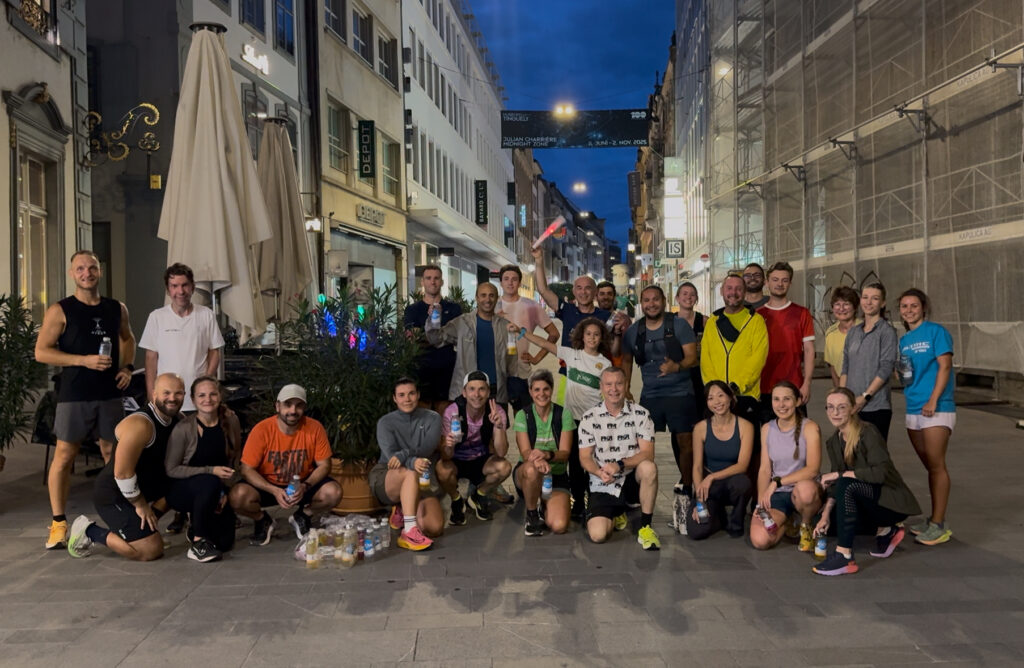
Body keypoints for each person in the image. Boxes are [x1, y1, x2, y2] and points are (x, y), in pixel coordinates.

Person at [35, 250, 136, 550]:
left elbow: (127, 338)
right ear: (72, 274)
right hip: (74, 394)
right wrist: (83, 360)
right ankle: (58, 524)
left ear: (99, 271)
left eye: (91, 268)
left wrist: (127, 368)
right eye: (80, 268)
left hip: (109, 393)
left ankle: (119, 517)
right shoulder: (60, 310)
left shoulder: (116, 308)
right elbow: (41, 352)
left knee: (113, 454)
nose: (86, 273)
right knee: (65, 455)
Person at [66, 374, 184, 561]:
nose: (172, 398)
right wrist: (140, 504)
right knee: (150, 550)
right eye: (166, 393)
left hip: (146, 487)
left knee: (185, 485)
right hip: (115, 494)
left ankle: (142, 530)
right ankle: (89, 530)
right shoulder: (140, 424)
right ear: (154, 394)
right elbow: (122, 474)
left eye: (178, 393)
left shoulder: (178, 419)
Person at [813, 388, 921, 576]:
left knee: (846, 484)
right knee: (828, 525)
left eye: (841, 407)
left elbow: (879, 474)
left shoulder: (868, 432)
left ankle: (844, 556)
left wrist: (839, 475)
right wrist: (826, 514)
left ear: (853, 409)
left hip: (888, 500)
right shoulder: (834, 441)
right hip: (865, 498)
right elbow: (835, 484)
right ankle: (886, 531)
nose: (835, 412)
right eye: (830, 407)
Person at [521, 316, 613, 522]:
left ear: (602, 338)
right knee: (575, 463)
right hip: (571, 422)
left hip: (592, 423)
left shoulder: (605, 364)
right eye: (588, 334)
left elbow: (610, 391)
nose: (592, 338)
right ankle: (578, 502)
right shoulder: (572, 355)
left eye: (596, 334)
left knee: (592, 462)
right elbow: (545, 343)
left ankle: (594, 500)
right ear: (582, 336)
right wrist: (523, 333)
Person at [228, 384, 342, 545]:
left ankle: (303, 515)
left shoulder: (315, 428)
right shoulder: (262, 430)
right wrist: (273, 490)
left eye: (299, 405)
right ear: (277, 406)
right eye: (287, 404)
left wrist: (306, 486)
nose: (293, 410)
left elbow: (324, 465)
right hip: (267, 484)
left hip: (301, 483)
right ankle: (262, 519)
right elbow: (246, 469)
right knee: (237, 497)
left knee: (333, 492)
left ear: (304, 408)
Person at [621, 285, 698, 493]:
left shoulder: (679, 325)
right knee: (639, 442)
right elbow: (626, 360)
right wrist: (626, 388)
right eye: (646, 300)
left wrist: (676, 367)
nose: (651, 304)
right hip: (650, 394)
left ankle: (688, 486)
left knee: (685, 441)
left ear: (664, 301)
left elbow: (692, 357)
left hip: (680, 392)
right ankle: (637, 488)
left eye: (655, 299)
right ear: (641, 304)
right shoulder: (634, 331)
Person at [578, 367, 660, 551]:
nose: (613, 389)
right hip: (603, 481)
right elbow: (585, 457)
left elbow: (648, 453)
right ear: (601, 387)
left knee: (649, 468)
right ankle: (617, 511)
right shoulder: (589, 418)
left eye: (619, 384)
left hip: (631, 477)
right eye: (608, 384)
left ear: (626, 385)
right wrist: (598, 472)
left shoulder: (641, 414)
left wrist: (620, 464)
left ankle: (646, 527)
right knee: (598, 535)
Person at [898, 288, 956, 546]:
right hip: (914, 407)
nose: (909, 310)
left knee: (937, 465)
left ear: (923, 307)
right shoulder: (904, 340)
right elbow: (908, 373)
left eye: (914, 305)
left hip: (937, 407)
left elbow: (945, 366)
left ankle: (939, 525)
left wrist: (933, 399)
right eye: (904, 306)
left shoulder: (936, 332)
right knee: (930, 466)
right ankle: (933, 519)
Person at [163, 376, 241, 562]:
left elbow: (235, 460)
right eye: (202, 395)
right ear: (193, 399)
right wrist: (210, 471)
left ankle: (196, 526)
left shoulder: (231, 421)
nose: (208, 399)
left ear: (220, 396)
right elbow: (171, 470)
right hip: (183, 490)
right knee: (209, 481)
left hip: (217, 489)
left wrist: (225, 491)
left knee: (224, 543)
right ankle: (198, 543)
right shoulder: (183, 429)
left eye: (213, 394)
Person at [369, 377, 445, 550]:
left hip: (421, 477)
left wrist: (404, 454)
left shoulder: (433, 418)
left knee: (434, 528)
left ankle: (402, 508)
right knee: (409, 472)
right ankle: (409, 531)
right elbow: (391, 457)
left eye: (411, 393)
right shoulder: (385, 422)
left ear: (418, 395)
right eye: (401, 395)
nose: (407, 399)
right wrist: (411, 461)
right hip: (388, 474)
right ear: (394, 398)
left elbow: (427, 447)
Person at [139, 263, 224, 413]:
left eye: (185, 285)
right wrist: (151, 394)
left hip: (199, 400)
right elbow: (150, 359)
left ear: (192, 287)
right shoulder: (156, 317)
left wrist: (205, 383)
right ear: (168, 290)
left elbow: (214, 352)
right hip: (166, 400)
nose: (180, 291)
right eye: (174, 286)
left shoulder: (206, 315)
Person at [750, 381, 824, 551]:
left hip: (803, 491)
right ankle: (789, 522)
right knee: (760, 540)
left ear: (797, 401)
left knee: (805, 491)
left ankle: (805, 524)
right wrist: (760, 505)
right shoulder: (767, 428)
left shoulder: (810, 427)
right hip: (779, 493)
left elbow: (812, 469)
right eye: (776, 399)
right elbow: (764, 469)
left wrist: (777, 482)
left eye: (787, 399)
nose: (781, 405)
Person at [437, 371, 512, 524]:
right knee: (441, 469)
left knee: (504, 467)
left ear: (488, 392)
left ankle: (479, 494)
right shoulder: (452, 412)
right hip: (456, 459)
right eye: (471, 389)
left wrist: (498, 427)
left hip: (481, 458)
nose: (476, 394)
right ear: (464, 393)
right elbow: (445, 456)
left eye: (481, 389)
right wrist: (449, 445)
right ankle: (456, 499)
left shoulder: (496, 411)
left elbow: (501, 452)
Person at [425, 282, 514, 406]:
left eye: (491, 295)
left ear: (497, 298)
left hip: (496, 392)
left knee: (497, 419)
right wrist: (433, 319)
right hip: (467, 393)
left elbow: (511, 359)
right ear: (476, 298)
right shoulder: (462, 323)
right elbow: (436, 339)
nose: (487, 300)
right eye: (483, 295)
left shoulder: (505, 326)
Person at [687, 381, 754, 540]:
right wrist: (699, 500)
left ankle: (736, 523)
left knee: (743, 484)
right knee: (697, 532)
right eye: (711, 398)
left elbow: (742, 466)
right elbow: (697, 467)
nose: (716, 402)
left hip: (732, 481)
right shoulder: (701, 428)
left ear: (730, 398)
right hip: (709, 487)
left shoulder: (745, 426)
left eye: (721, 396)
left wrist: (712, 477)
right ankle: (719, 517)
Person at [700, 273, 769, 427]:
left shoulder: (756, 321)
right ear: (722, 291)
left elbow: (758, 359)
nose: (733, 292)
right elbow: (706, 359)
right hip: (716, 399)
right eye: (729, 288)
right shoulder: (713, 322)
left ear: (744, 292)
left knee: (748, 440)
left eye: (738, 289)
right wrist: (717, 390)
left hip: (745, 396)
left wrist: (735, 387)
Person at [512, 370, 575, 536]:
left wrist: (547, 455)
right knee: (531, 470)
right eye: (537, 389)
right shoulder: (523, 415)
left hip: (556, 475)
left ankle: (544, 506)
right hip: (528, 472)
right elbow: (525, 452)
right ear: (530, 392)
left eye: (546, 389)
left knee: (559, 526)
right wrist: (537, 460)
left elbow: (565, 453)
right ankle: (532, 514)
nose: (542, 394)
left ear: (551, 390)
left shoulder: (564, 414)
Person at [495, 263, 559, 414]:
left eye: (514, 279)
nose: (510, 282)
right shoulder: (492, 306)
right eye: (506, 279)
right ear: (501, 282)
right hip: (496, 371)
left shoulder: (531, 306)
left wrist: (537, 358)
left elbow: (554, 333)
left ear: (519, 282)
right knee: (497, 419)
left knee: (523, 418)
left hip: (520, 371)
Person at [841, 282, 898, 440]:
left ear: (883, 303)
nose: (869, 302)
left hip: (876, 407)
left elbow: (886, 368)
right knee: (849, 451)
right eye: (865, 297)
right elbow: (845, 366)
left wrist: (865, 397)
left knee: (873, 452)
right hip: (851, 406)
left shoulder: (887, 332)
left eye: (875, 298)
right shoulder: (853, 332)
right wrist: (842, 397)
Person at [758, 261, 816, 416]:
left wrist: (807, 383)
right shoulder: (757, 315)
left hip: (794, 386)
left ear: (790, 283)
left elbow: (809, 350)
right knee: (768, 430)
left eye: (784, 280)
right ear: (767, 282)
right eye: (775, 280)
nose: (780, 284)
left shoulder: (802, 313)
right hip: (764, 387)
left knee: (798, 430)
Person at [532, 246, 611, 354]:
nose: (583, 292)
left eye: (588, 288)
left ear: (595, 292)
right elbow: (543, 290)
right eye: (579, 288)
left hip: (594, 364)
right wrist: (538, 260)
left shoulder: (606, 316)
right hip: (569, 364)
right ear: (573, 292)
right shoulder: (567, 310)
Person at [405, 265, 462, 412]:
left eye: (436, 278)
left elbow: (457, 337)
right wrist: (441, 335)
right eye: (428, 278)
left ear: (442, 282)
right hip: (421, 370)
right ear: (422, 282)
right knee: (423, 418)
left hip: (447, 370)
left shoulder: (454, 309)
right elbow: (412, 338)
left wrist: (428, 336)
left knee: (445, 417)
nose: (433, 282)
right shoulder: (412, 310)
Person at [676, 282, 707, 417]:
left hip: (699, 374)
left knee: (700, 413)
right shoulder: (670, 322)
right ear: (677, 298)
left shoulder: (705, 321)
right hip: (678, 374)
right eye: (685, 294)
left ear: (697, 298)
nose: (688, 297)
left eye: (692, 294)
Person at [824, 286, 860, 386]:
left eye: (846, 304)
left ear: (855, 307)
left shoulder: (865, 330)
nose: (841, 308)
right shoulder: (830, 333)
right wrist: (839, 391)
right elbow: (833, 367)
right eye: (837, 304)